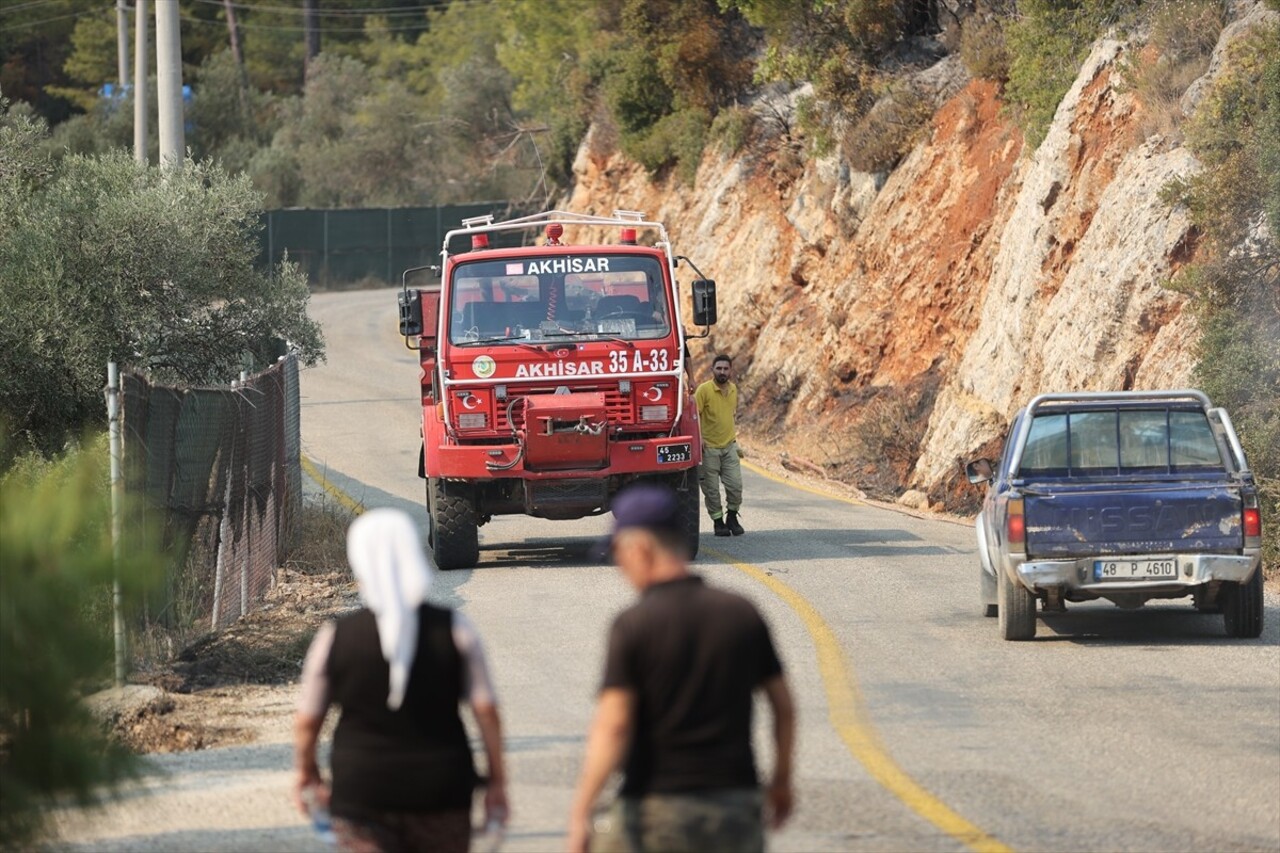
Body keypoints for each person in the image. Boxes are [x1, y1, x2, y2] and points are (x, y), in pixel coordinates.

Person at [567, 484, 795, 853]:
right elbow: (783, 706)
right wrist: (781, 781)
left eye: (619, 553)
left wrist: (581, 813)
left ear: (640, 549)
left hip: (657, 809)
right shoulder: (741, 612)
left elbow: (614, 725)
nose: (620, 567)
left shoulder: (634, 625)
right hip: (735, 805)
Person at [293, 508, 508, 853]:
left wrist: (306, 772)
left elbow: (307, 721)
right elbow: (486, 711)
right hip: (443, 793)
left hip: (361, 793)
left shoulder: (334, 638)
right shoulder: (455, 630)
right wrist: (497, 780)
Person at [695, 353, 745, 536]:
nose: (722, 372)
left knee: (735, 487)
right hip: (709, 449)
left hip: (729, 447)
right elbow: (695, 416)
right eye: (719, 368)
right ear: (712, 370)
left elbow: (729, 415)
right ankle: (718, 522)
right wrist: (699, 439)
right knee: (711, 490)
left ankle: (732, 516)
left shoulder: (733, 390)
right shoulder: (703, 390)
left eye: (725, 369)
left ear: (730, 371)